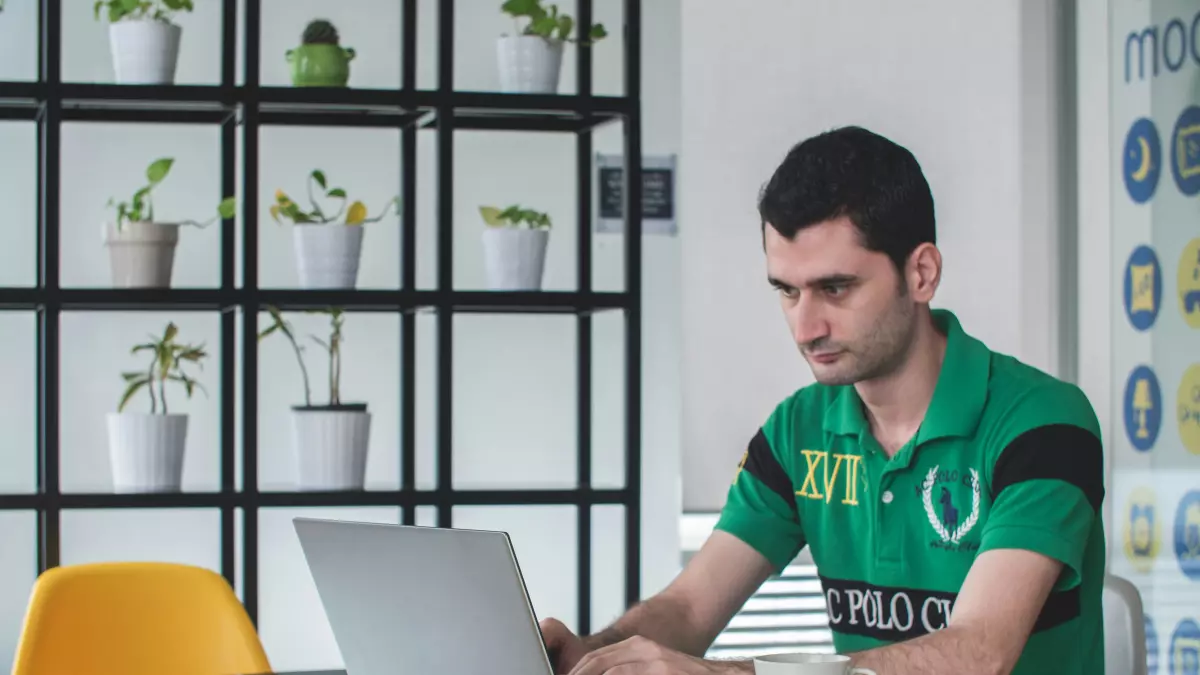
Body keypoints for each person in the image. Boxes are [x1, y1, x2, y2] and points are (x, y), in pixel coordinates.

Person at [538, 126, 1106, 675]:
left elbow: (978, 654)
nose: (806, 328)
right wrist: (592, 654)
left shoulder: (1044, 425)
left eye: (835, 288)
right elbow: (689, 609)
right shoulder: (797, 431)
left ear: (922, 273)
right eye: (787, 291)